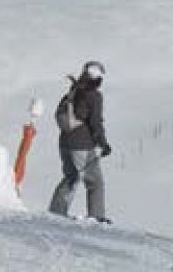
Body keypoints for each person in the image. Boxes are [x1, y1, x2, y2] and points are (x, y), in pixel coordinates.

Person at [49, 61, 111, 223]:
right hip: (82, 145)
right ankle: (97, 216)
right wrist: (103, 143)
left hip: (65, 142)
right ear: (97, 77)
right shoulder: (94, 96)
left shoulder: (74, 90)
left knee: (71, 177)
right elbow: (95, 122)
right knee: (95, 182)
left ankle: (56, 212)